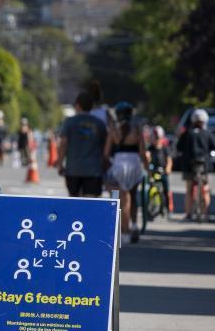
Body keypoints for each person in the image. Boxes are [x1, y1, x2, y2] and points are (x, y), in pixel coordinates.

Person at [104, 102, 146, 243]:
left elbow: (106, 153)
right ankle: (134, 224)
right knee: (133, 196)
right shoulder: (137, 130)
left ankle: (125, 230)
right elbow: (142, 153)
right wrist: (147, 167)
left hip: (119, 164)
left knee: (123, 198)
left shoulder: (114, 130)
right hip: (134, 164)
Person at [57, 92, 107, 198]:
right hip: (94, 169)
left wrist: (60, 163)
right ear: (91, 106)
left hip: (73, 169)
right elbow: (105, 146)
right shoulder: (99, 123)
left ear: (77, 105)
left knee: (74, 201)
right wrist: (105, 163)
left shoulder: (69, 122)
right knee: (91, 201)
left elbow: (63, 143)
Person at [176, 109, 215, 220]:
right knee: (205, 188)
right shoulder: (207, 133)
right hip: (204, 165)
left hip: (189, 165)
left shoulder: (187, 133)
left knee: (189, 189)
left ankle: (188, 213)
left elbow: (179, 147)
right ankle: (206, 213)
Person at [146, 126, 173, 213]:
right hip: (153, 171)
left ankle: (168, 207)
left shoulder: (165, 148)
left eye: (157, 138)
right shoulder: (150, 148)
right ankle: (151, 204)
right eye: (154, 138)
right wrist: (147, 158)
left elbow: (169, 160)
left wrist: (168, 168)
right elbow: (147, 158)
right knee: (150, 187)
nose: (155, 140)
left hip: (163, 171)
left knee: (166, 190)